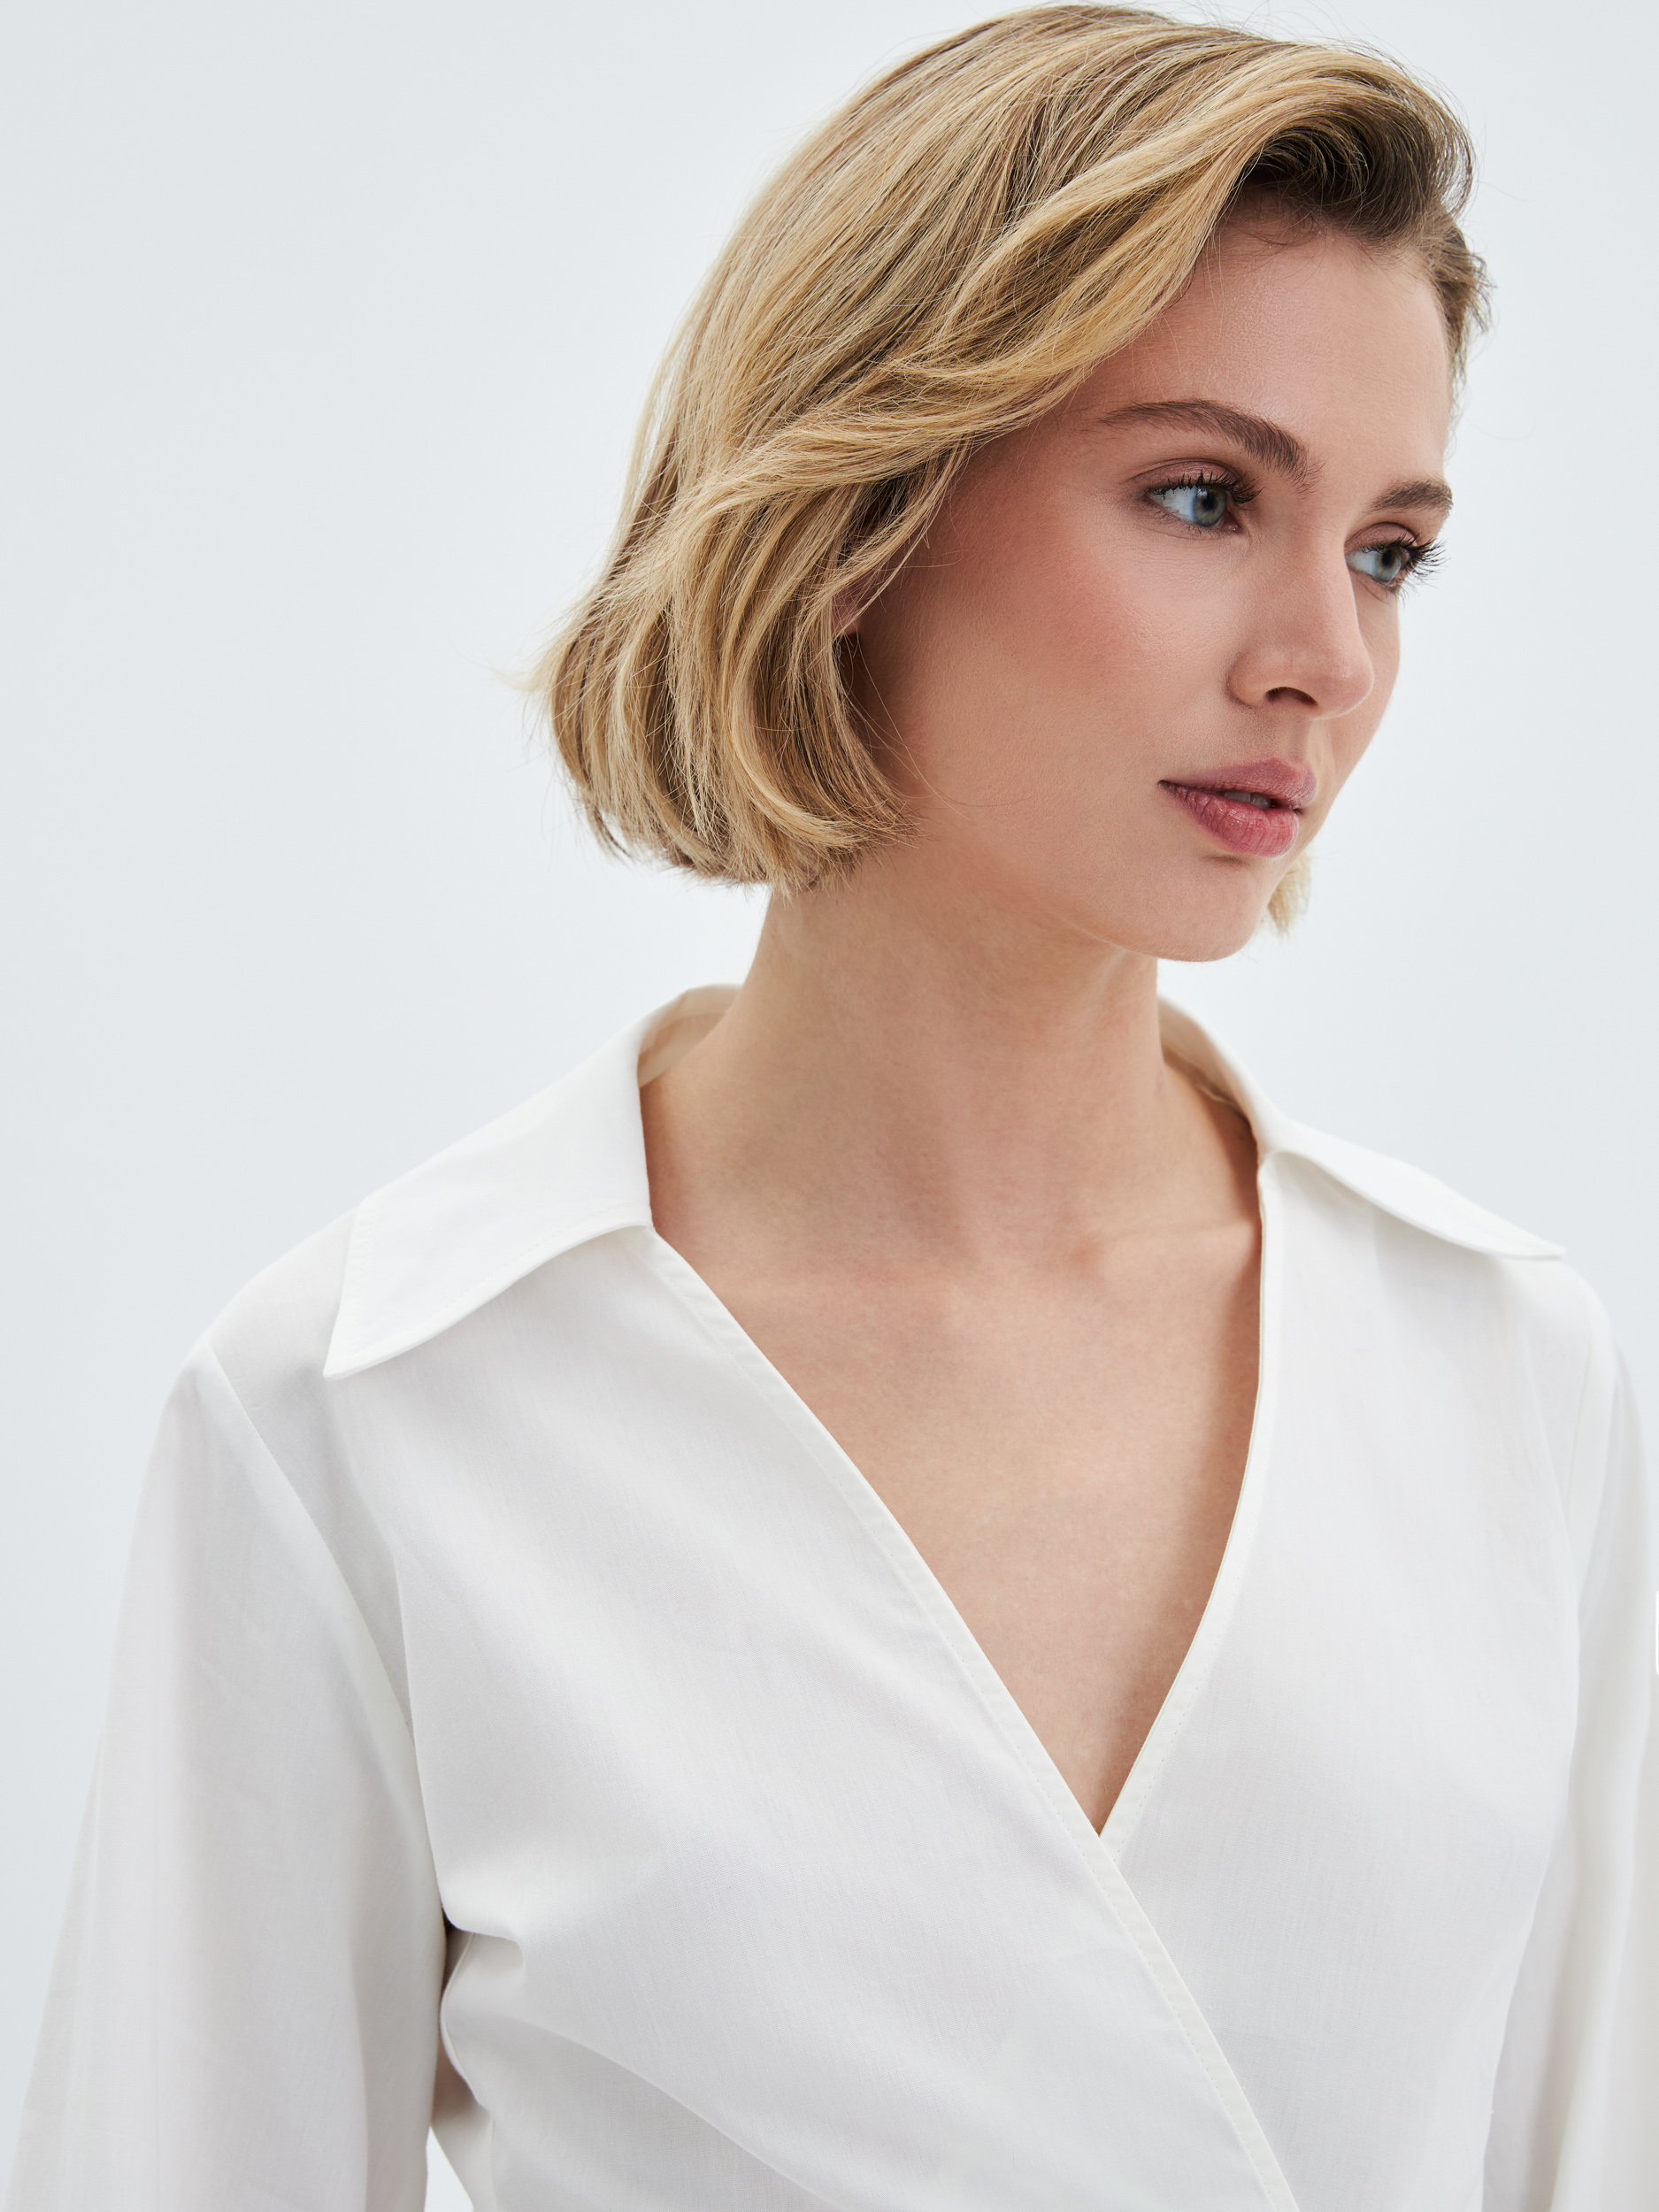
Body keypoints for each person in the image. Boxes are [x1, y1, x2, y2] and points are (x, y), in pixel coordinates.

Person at [10, 8, 1654, 2208]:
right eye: (1201, 497)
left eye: (1387, 549)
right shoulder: (377, 1398)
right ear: (859, 509)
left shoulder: (1497, 1367)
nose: (1324, 658)